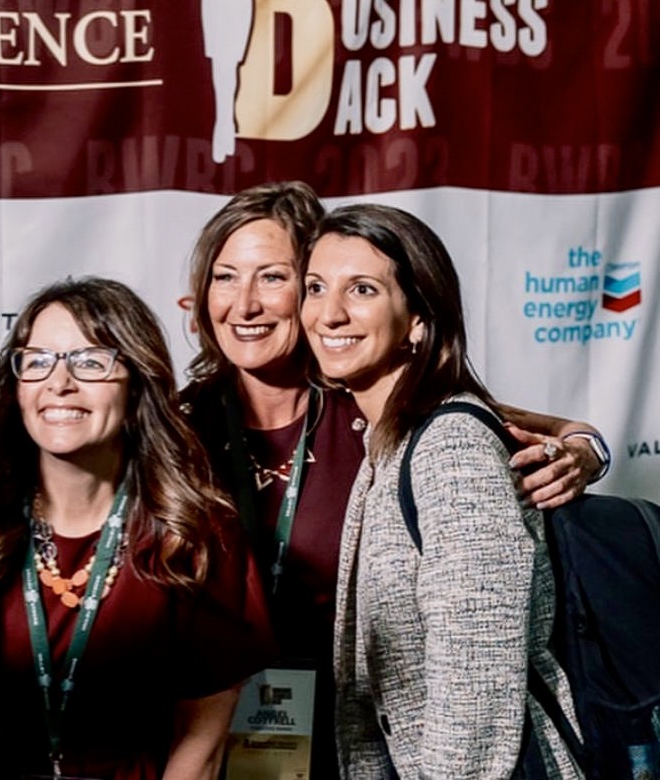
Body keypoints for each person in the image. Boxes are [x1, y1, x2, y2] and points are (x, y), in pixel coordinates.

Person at [178, 182, 607, 778]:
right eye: (225, 277)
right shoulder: (177, 428)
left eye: (274, 277)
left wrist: (586, 448)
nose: (245, 303)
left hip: (365, 732)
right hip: (221, 732)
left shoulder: (375, 405)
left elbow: (489, 424)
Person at [0, 277, 272, 779]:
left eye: (91, 362)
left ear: (137, 383)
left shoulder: (195, 535)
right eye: (38, 360)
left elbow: (200, 744)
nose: (60, 383)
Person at [301, 202, 583, 778]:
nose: (328, 314)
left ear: (419, 318)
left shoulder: (450, 445)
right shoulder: (390, 439)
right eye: (315, 287)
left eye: (361, 290)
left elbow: (476, 670)